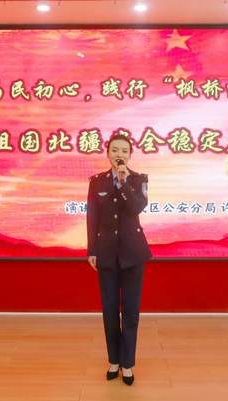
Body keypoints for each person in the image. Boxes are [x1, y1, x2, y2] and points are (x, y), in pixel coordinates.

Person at [86, 133, 152, 386]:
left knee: (131, 312)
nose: (119, 154)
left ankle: (127, 364)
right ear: (108, 153)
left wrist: (124, 183)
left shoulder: (139, 179)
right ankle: (114, 360)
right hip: (106, 253)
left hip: (133, 254)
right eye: (115, 150)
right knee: (110, 310)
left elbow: (137, 208)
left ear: (130, 154)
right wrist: (92, 250)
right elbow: (92, 218)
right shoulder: (97, 182)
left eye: (124, 150)